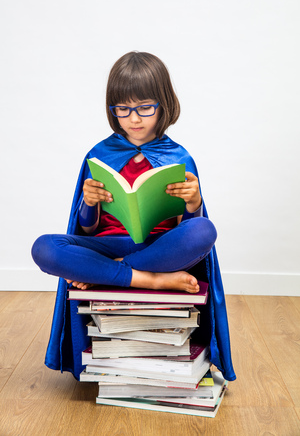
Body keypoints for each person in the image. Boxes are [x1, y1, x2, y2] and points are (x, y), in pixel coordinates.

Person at [32, 51, 236, 382]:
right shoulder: (99, 154)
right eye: (123, 109)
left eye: (144, 107)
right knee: (44, 248)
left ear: (164, 104)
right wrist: (89, 203)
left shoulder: (178, 157)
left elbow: (192, 236)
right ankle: (147, 279)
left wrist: (194, 203)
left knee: (204, 230)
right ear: (112, 110)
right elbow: (86, 227)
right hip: (109, 247)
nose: (134, 119)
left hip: (159, 249)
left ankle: (110, 274)